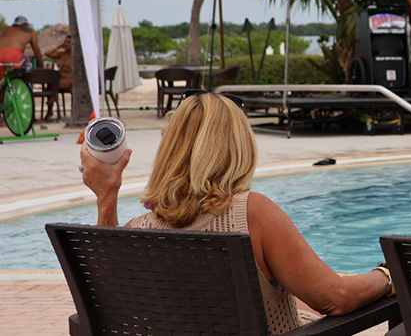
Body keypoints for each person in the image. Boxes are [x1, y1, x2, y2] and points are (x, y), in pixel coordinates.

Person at [80, 92, 393, 332]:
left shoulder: (137, 230)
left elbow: (111, 309)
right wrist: (387, 277)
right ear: (237, 147)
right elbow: (335, 298)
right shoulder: (254, 214)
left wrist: (106, 196)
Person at [44, 35, 73, 119]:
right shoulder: (61, 54)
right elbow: (47, 53)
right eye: (65, 42)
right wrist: (58, 46)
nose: (66, 44)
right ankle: (50, 110)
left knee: (54, 85)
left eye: (68, 42)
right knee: (49, 85)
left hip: (69, 79)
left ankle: (52, 99)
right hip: (60, 78)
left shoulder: (75, 54)